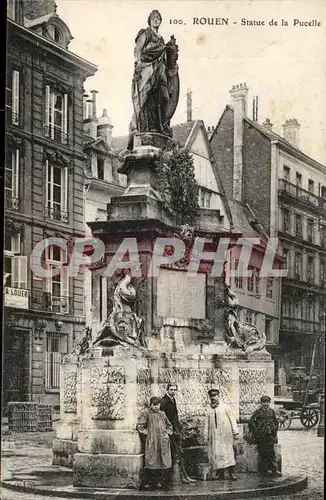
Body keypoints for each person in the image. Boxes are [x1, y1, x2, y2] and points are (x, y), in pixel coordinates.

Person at [128, 10, 179, 149]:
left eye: (158, 18)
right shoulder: (146, 33)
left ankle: (158, 126)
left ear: (160, 21)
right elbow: (138, 49)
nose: (156, 20)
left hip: (160, 70)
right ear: (149, 20)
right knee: (147, 99)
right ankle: (147, 127)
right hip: (148, 69)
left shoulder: (161, 40)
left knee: (163, 98)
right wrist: (138, 64)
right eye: (153, 18)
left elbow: (167, 58)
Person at [160, 384, 196, 484]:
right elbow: (163, 418)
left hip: (176, 431)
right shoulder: (164, 402)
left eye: (175, 390)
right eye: (171, 389)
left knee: (179, 453)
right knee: (176, 454)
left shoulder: (172, 400)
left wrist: (179, 427)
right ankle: (179, 478)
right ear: (167, 390)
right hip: (170, 432)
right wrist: (169, 431)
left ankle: (183, 476)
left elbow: (175, 416)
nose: (173, 391)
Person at [137, 396, 173, 490]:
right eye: (154, 405)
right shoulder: (146, 414)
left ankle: (164, 484)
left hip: (163, 441)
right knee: (152, 461)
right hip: (152, 441)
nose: (156, 407)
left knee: (164, 461)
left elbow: (169, 425)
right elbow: (141, 426)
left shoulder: (162, 414)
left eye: (158, 405)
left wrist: (167, 434)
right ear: (151, 405)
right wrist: (148, 434)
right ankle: (152, 484)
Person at [204, 388, 239, 481]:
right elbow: (206, 423)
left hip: (225, 435)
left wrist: (235, 432)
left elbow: (232, 420)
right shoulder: (209, 410)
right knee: (217, 454)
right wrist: (206, 435)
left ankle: (232, 474)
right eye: (211, 396)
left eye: (215, 396)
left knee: (228, 454)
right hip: (215, 437)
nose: (213, 398)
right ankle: (221, 474)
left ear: (219, 396)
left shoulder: (225, 407)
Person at [248, 395, 282, 479]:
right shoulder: (258, 412)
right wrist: (257, 430)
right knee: (263, 453)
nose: (265, 404)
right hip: (262, 436)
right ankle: (264, 470)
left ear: (269, 403)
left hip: (270, 435)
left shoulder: (272, 411)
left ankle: (274, 470)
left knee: (271, 453)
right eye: (264, 402)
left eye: (267, 402)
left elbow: (275, 421)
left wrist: (274, 429)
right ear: (261, 403)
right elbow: (251, 422)